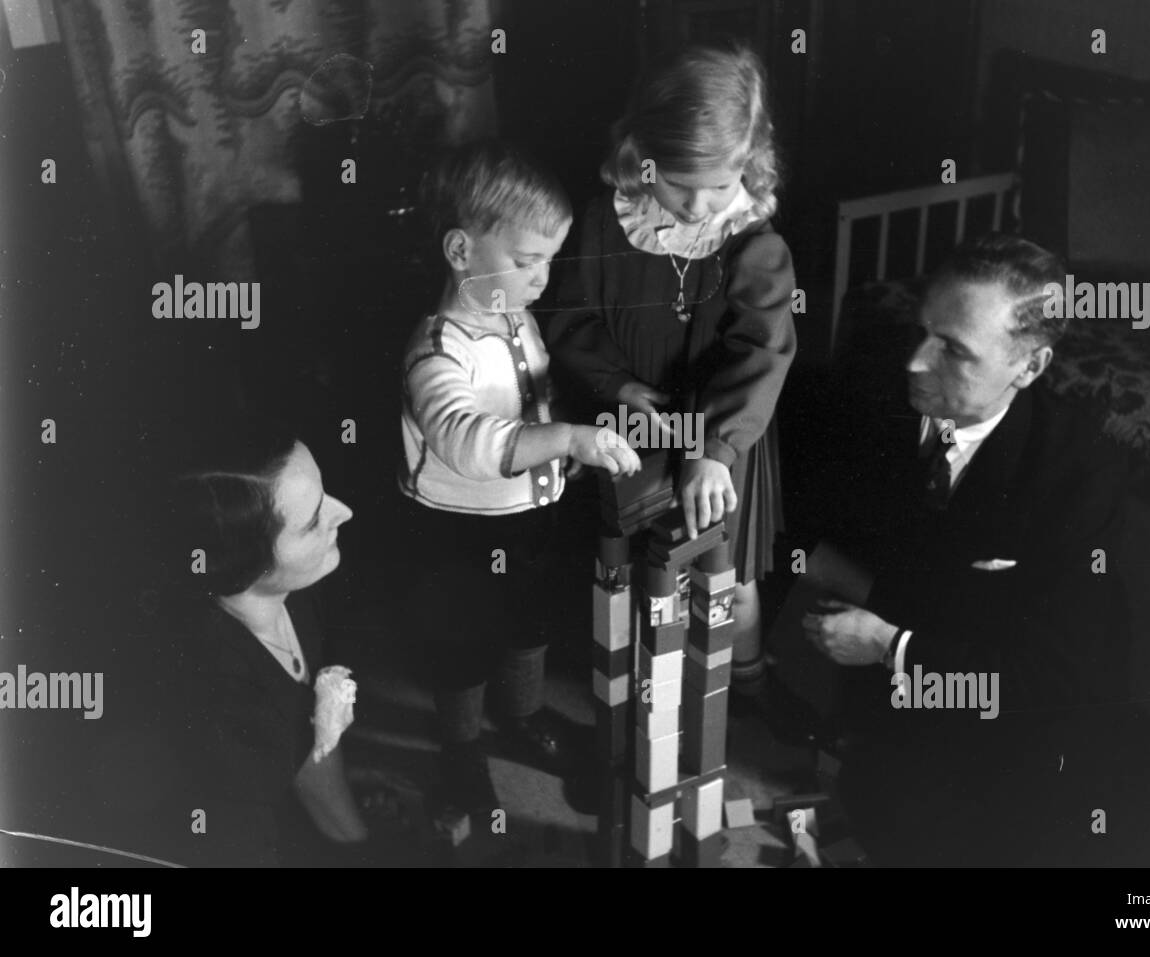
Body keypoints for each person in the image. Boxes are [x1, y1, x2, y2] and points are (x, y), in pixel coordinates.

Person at [802, 234, 1131, 865]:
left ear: (1028, 367)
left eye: (952, 350)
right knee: (873, 804)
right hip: (906, 683)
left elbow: (1051, 678)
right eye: (923, 330)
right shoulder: (880, 380)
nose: (916, 362)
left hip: (1008, 717)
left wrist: (887, 646)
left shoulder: (1079, 474)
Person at [547, 44, 797, 726]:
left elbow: (764, 352)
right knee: (631, 566)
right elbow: (570, 318)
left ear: (748, 161)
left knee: (726, 578)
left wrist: (713, 448)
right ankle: (641, 698)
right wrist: (619, 385)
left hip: (722, 436)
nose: (696, 204)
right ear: (641, 157)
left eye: (718, 185)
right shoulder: (607, 219)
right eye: (678, 183)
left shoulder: (754, 243)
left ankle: (744, 686)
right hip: (633, 422)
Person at [399, 140, 641, 819]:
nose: (541, 279)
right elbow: (469, 442)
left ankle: (526, 713)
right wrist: (564, 438)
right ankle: (461, 745)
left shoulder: (514, 317)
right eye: (526, 261)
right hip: (459, 526)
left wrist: (565, 431)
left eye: (548, 261)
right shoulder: (436, 349)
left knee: (526, 619)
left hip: (526, 512)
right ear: (460, 251)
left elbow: (529, 399)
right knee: (462, 639)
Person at [168, 419, 369, 866]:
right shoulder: (214, 694)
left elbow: (310, 756)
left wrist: (359, 846)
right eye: (315, 519)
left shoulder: (300, 587)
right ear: (246, 563)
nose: (344, 512)